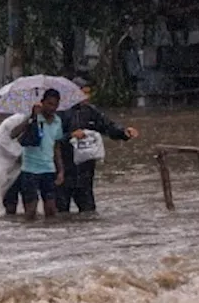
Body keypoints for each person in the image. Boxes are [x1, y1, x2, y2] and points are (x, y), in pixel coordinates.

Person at [56, 76, 140, 214]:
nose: (86, 96)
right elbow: (51, 139)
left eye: (88, 92)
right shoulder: (60, 113)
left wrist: (124, 132)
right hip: (64, 169)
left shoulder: (90, 111)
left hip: (85, 170)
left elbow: (108, 126)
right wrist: (70, 135)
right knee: (61, 211)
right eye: (83, 93)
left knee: (88, 211)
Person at [9, 89, 66, 220]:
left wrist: (61, 171)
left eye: (55, 105)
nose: (52, 107)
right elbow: (13, 134)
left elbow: (57, 148)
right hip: (30, 171)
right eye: (49, 104)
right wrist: (31, 117)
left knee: (51, 211)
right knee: (30, 212)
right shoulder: (33, 118)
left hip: (49, 170)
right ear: (42, 103)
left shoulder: (58, 121)